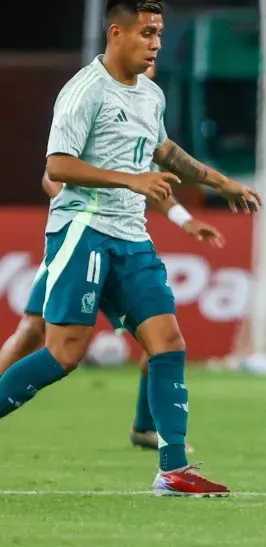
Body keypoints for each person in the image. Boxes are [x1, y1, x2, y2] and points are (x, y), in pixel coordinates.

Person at [0, 0, 261, 497]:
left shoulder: (151, 93)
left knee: (167, 341)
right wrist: (130, 179)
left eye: (159, 33)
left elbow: (162, 150)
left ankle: (173, 468)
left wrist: (219, 181)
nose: (156, 43)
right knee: (63, 352)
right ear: (116, 33)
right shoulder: (84, 91)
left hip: (131, 237)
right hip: (83, 231)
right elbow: (57, 165)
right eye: (146, 33)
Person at [0, 168, 224, 453]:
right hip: (79, 245)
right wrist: (80, 215)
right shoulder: (90, 129)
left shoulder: (137, 134)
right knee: (33, 330)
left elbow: (157, 185)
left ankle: (145, 428)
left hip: (121, 249)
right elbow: (52, 174)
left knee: (160, 337)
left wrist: (186, 220)